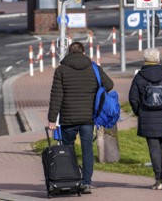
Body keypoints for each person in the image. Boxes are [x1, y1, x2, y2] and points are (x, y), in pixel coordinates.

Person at [48, 42, 114, 194]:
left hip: (68, 119)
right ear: (84, 52)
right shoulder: (94, 68)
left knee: (68, 150)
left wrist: (52, 119)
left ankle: (70, 180)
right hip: (87, 118)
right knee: (87, 150)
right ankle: (86, 183)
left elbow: (56, 96)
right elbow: (109, 85)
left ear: (69, 53)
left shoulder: (61, 70)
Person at [128, 48, 162, 190]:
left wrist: (139, 112)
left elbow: (133, 98)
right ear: (158, 59)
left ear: (145, 60)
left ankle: (158, 179)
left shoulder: (139, 77)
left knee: (153, 147)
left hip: (147, 117)